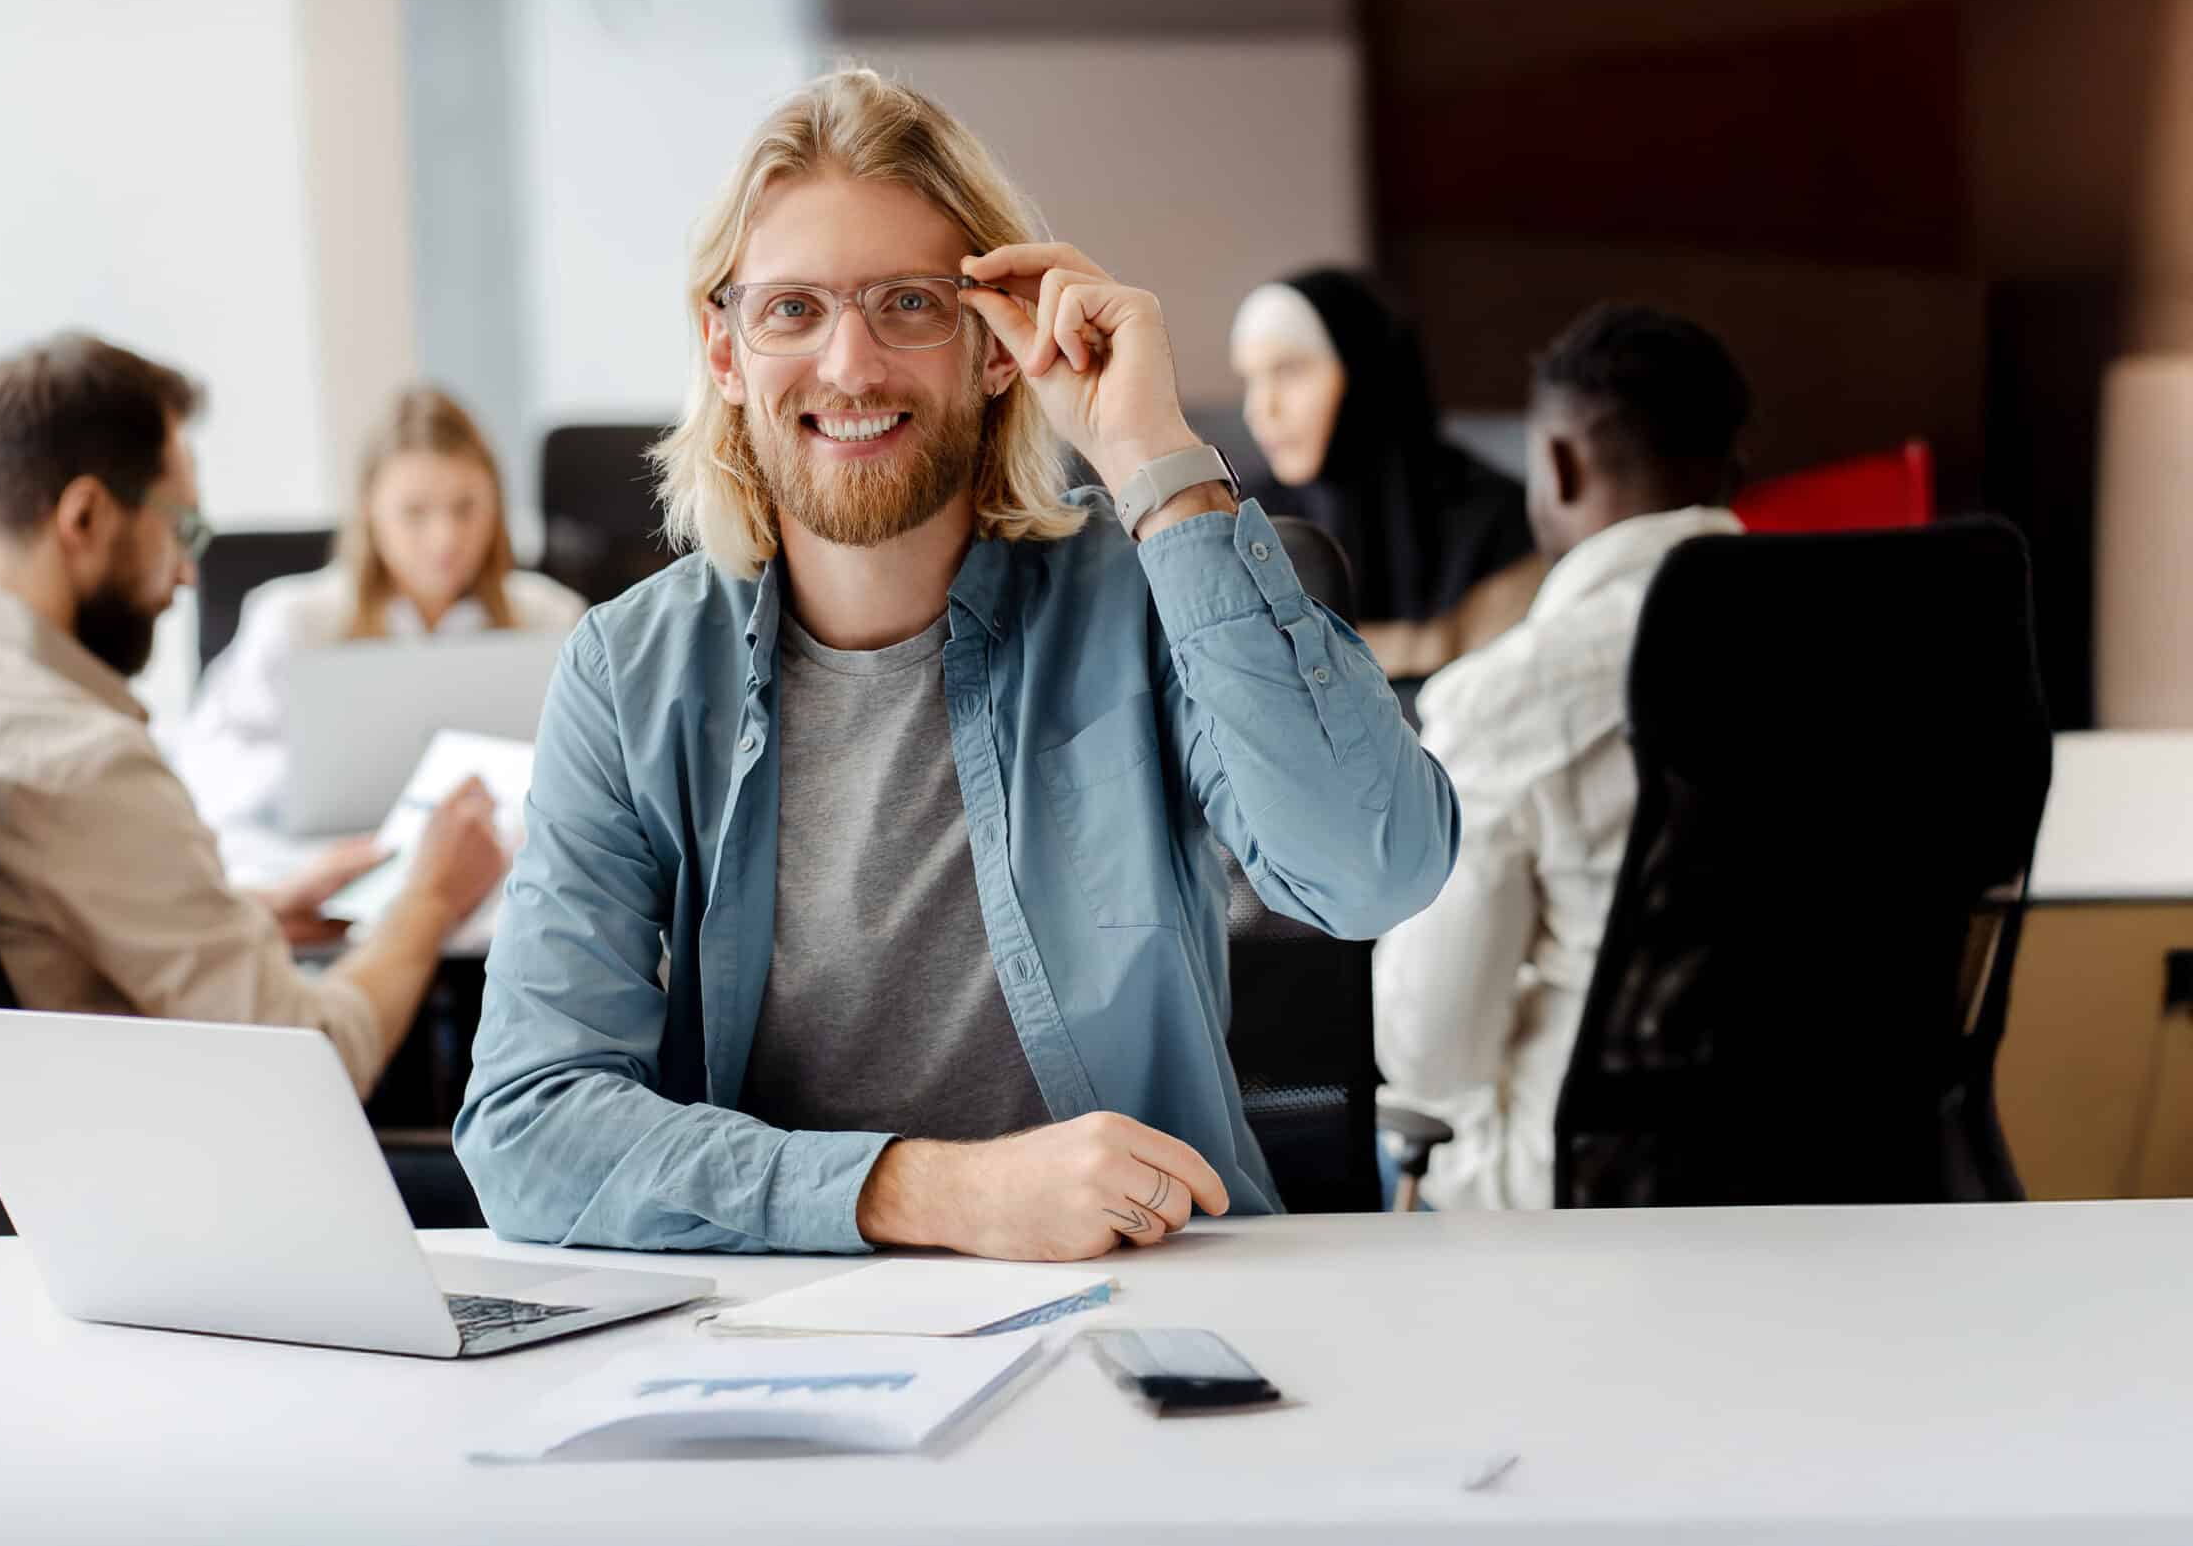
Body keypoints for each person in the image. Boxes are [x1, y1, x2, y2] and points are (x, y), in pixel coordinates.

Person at [454, 69, 1459, 1260]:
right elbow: (531, 1122)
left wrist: (1157, 457)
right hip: (772, 1339)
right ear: (724, 352)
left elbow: (1374, 869)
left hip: (1149, 1310)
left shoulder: (1142, 599)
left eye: (909, 303)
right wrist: (935, 1193)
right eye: (792, 312)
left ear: (995, 347)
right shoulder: (631, 670)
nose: (850, 365)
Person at [0, 333, 512, 1097]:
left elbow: (61, 911)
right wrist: (432, 896)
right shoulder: (81, 757)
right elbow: (311, 1059)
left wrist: (249, 914)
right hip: (159, 1162)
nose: (190, 572)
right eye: (183, 528)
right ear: (86, 517)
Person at [1371, 302, 1753, 1210]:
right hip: (1853, 1169)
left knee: (1401, 1129)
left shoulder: (1509, 695)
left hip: (1591, 1189)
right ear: (1735, 470)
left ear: (1561, 463)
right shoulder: (1868, 650)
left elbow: (1435, 1048)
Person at [175, 384, 586, 828]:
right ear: (371, 512)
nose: (445, 538)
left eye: (466, 508)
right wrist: (318, 776)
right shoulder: (294, 620)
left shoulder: (551, 618)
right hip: (336, 854)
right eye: (415, 512)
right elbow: (206, 763)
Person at [1228, 267, 1543, 677]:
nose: (1260, 410)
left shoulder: (1499, 523)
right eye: (1249, 379)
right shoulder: (1245, 523)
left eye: (1289, 371)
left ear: (1365, 371)